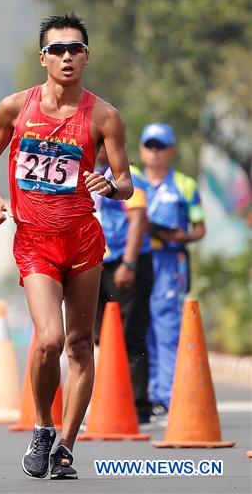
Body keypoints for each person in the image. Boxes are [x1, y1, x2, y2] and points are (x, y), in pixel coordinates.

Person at [0, 13, 133, 480]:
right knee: (48, 339)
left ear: (87, 56)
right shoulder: (15, 108)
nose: (67, 57)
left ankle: (65, 446)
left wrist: (109, 184)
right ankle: (43, 426)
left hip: (83, 241)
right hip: (34, 241)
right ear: (42, 57)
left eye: (76, 49)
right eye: (58, 49)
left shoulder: (104, 117)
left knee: (80, 344)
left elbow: (126, 182)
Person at [138, 122, 205, 419]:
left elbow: (200, 228)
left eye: (160, 147)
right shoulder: (132, 180)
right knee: (141, 329)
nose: (154, 153)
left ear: (171, 151)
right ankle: (146, 395)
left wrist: (182, 237)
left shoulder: (185, 184)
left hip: (169, 262)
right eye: (149, 146)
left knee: (166, 328)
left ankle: (167, 396)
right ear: (141, 150)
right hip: (139, 260)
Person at [93, 146, 154, 423]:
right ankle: (110, 400)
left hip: (126, 265)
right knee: (98, 336)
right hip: (98, 265)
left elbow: (138, 218)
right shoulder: (90, 175)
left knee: (131, 335)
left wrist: (129, 263)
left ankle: (138, 406)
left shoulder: (128, 177)